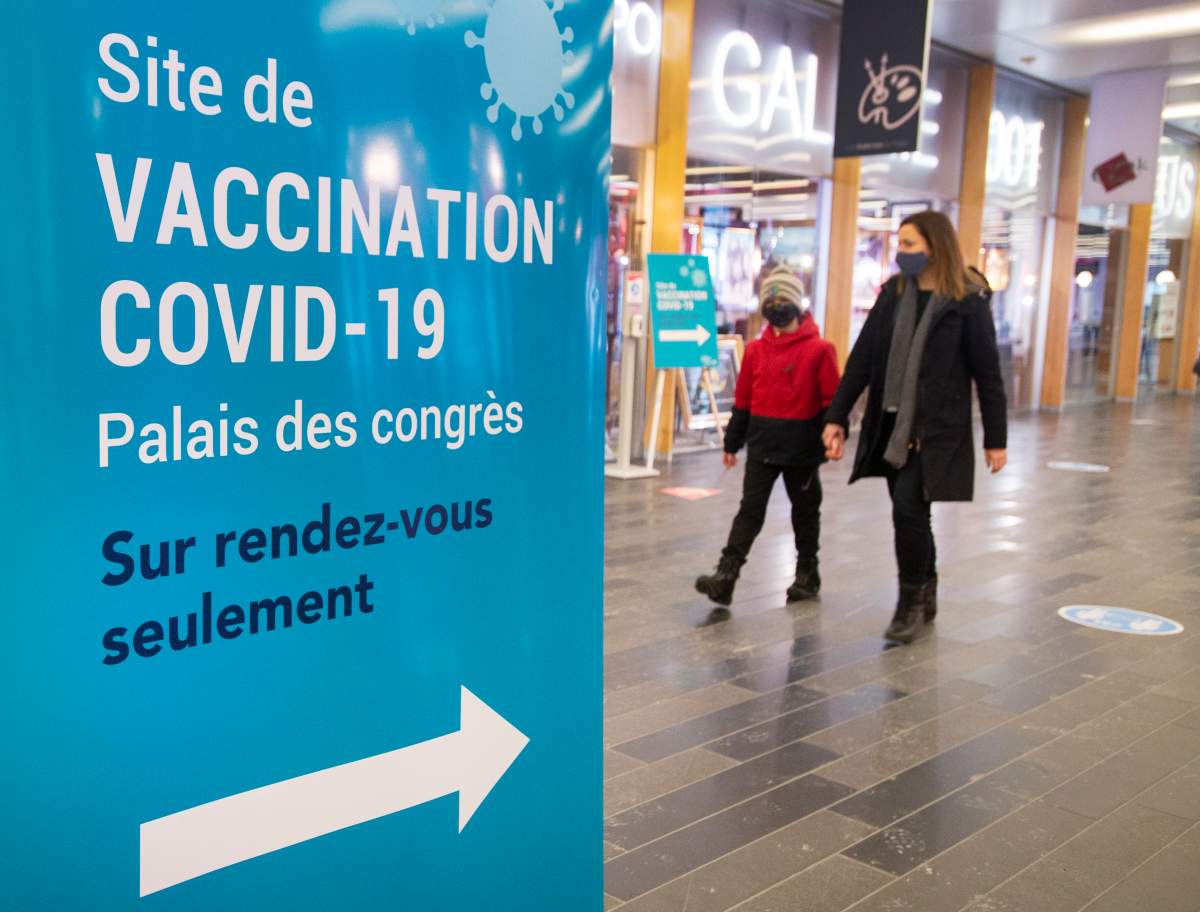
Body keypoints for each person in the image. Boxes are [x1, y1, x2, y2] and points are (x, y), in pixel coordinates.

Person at [823, 211, 1007, 644]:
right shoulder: (893, 294)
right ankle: (927, 585)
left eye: (909, 245)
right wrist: (836, 416)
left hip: (936, 428)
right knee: (913, 514)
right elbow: (863, 359)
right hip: (889, 423)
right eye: (899, 244)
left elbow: (988, 375)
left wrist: (995, 440)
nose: (900, 253)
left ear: (934, 246)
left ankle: (909, 604)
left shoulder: (967, 301)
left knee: (907, 509)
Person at [695, 266, 841, 608]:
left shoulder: (820, 350)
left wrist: (833, 435)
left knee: (805, 512)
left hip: (802, 448)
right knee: (750, 511)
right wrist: (732, 443)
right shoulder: (757, 351)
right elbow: (743, 400)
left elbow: (830, 401)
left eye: (781, 299)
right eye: (769, 300)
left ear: (796, 304)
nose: (776, 305)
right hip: (762, 443)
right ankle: (726, 577)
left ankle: (808, 574)